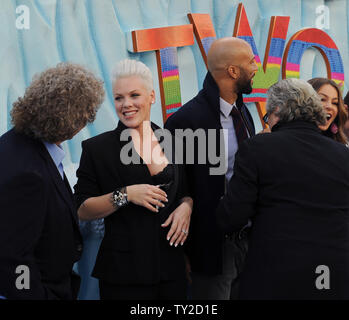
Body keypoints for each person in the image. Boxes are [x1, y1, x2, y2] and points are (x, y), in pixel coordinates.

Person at [216, 78, 349, 299]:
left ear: (277, 110)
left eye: (268, 117)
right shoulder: (343, 155)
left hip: (276, 273)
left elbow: (233, 215)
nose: (268, 122)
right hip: (331, 272)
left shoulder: (257, 148)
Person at [74, 59, 193, 300]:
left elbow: (187, 192)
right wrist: (125, 194)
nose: (126, 104)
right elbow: (81, 209)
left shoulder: (175, 141)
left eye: (134, 95)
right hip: (124, 275)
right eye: (119, 98)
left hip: (173, 268)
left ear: (151, 96)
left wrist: (186, 208)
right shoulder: (97, 149)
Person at [0, 63, 105, 299]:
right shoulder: (28, 173)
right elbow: (13, 258)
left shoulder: (18, 144)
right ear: (69, 120)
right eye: (86, 115)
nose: (86, 122)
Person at [164, 37, 258, 299]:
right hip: (211, 248)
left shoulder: (243, 113)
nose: (256, 66)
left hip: (249, 240)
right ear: (233, 71)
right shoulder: (184, 121)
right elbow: (176, 187)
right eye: (250, 61)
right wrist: (184, 252)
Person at [308, 78, 348, 144]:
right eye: (322, 99)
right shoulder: (289, 138)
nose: (329, 106)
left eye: (335, 103)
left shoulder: (340, 148)